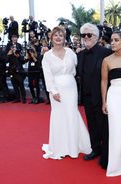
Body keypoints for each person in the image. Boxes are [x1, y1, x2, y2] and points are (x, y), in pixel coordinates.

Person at [41, 26, 91, 159]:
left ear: (64, 38)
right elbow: (47, 75)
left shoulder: (70, 53)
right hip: (56, 89)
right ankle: (60, 146)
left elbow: (76, 69)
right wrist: (53, 91)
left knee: (72, 113)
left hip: (71, 87)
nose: (58, 38)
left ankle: (74, 145)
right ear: (51, 38)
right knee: (59, 115)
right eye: (55, 35)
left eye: (61, 35)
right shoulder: (47, 56)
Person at [76, 23, 112, 169]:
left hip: (102, 97)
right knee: (91, 123)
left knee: (104, 125)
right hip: (86, 96)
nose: (86, 38)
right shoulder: (80, 55)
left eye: (89, 35)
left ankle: (106, 152)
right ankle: (95, 148)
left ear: (96, 37)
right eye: (83, 35)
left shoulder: (106, 53)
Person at [101, 31, 121, 176]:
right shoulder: (107, 60)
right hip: (114, 96)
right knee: (115, 129)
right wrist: (104, 101)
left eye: (116, 40)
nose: (112, 43)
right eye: (111, 40)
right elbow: (104, 81)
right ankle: (115, 162)